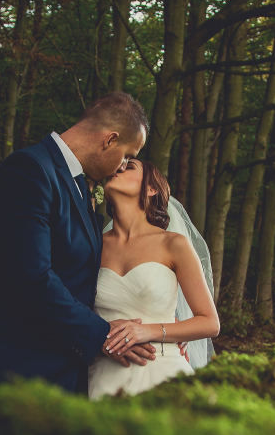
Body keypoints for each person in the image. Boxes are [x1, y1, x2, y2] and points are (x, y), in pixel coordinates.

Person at [0, 92, 171, 392]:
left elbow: (82, 279)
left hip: (60, 369)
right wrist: (105, 336)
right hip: (13, 368)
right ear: (109, 140)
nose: (122, 166)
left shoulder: (80, 186)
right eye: (127, 156)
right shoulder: (29, 171)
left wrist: (160, 332)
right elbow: (31, 277)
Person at [87, 158, 219, 400]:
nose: (117, 167)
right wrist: (99, 333)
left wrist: (148, 331)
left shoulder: (173, 244)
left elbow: (210, 322)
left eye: (129, 166)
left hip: (163, 371)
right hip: (104, 375)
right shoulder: (93, 245)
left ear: (151, 188)